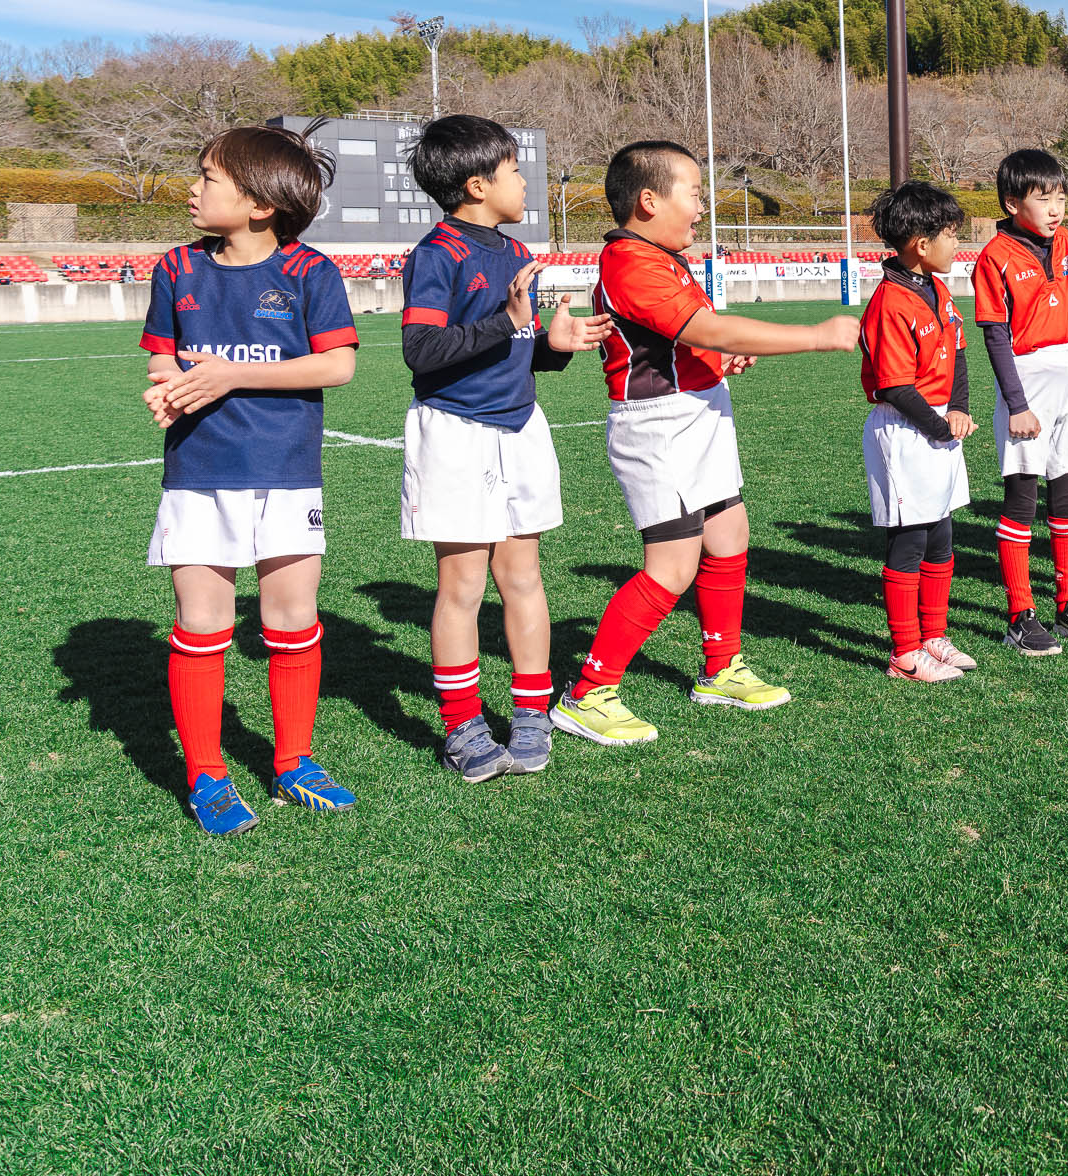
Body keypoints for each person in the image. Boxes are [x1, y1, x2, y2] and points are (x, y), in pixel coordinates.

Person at [552, 141, 858, 747]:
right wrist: (817, 335)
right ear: (649, 201)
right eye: (694, 194)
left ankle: (721, 668)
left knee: (729, 535)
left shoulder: (662, 257)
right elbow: (706, 328)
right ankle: (587, 694)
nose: (701, 207)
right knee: (671, 567)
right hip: (659, 427)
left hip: (699, 414)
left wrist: (715, 361)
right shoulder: (630, 262)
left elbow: (687, 341)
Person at [139, 125, 359, 836]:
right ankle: (206, 773)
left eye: (208, 177)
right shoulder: (177, 267)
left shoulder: (310, 273)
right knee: (202, 622)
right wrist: (168, 388)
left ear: (261, 204)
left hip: (286, 472)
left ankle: (294, 761)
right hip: (198, 471)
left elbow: (337, 366)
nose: (193, 188)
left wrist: (232, 375)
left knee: (291, 619)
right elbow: (162, 359)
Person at [398, 114, 612, 781]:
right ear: (476, 185)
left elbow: (517, 352)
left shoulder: (517, 254)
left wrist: (553, 345)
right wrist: (508, 321)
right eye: (515, 171)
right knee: (462, 584)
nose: (525, 183)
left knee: (523, 577)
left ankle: (529, 713)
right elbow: (422, 351)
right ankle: (462, 726)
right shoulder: (436, 255)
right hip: (454, 431)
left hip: (521, 428)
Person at [972, 148, 1068, 657]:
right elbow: (995, 336)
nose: (1056, 209)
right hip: (1025, 381)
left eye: (1061, 197)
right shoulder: (995, 256)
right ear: (1012, 204)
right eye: (1043, 198)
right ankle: (1019, 614)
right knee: (1022, 500)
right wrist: (1016, 404)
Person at [860, 181, 978, 683]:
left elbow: (960, 352)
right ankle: (905, 653)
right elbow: (893, 385)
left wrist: (960, 408)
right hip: (906, 428)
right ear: (921, 244)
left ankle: (934, 636)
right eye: (951, 234)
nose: (957, 243)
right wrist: (940, 426)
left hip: (938, 425)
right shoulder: (891, 300)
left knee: (941, 535)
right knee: (909, 539)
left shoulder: (938, 288)